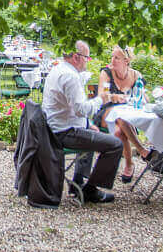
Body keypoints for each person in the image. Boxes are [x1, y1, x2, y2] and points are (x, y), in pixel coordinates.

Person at [40, 40, 121, 204]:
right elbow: (81, 109)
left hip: (54, 128)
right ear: (76, 57)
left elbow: (72, 110)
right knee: (116, 145)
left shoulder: (58, 69)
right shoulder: (70, 76)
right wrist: (101, 100)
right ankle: (91, 190)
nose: (87, 61)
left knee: (92, 132)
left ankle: (78, 182)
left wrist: (87, 124)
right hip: (63, 133)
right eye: (87, 57)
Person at [98, 46, 148, 184]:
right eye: (112, 56)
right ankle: (141, 150)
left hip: (128, 115)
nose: (112, 60)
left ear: (126, 60)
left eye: (116, 58)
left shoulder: (136, 75)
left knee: (120, 131)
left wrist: (141, 98)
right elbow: (102, 95)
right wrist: (114, 96)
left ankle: (129, 164)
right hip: (106, 112)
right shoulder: (106, 72)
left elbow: (144, 98)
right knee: (118, 115)